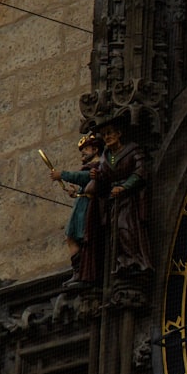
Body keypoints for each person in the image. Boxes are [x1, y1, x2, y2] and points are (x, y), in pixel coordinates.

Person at [96, 119, 153, 277]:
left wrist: (125, 186)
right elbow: (104, 177)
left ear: (119, 133)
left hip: (130, 199)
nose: (107, 137)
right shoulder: (109, 157)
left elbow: (141, 172)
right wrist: (97, 176)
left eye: (109, 133)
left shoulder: (132, 150)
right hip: (114, 200)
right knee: (116, 233)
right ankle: (123, 261)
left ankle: (134, 259)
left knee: (125, 227)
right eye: (104, 135)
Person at [50, 133, 104, 289]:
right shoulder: (92, 166)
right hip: (82, 205)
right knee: (72, 237)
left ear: (95, 149)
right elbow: (86, 184)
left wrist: (62, 175)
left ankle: (80, 272)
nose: (83, 152)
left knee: (77, 237)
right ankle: (77, 272)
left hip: (88, 208)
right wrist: (77, 193)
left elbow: (84, 177)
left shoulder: (99, 165)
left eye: (85, 149)